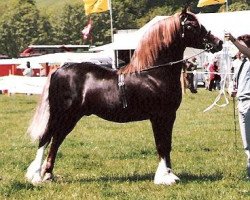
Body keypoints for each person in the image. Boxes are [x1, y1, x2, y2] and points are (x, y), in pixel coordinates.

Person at [227, 33, 250, 179]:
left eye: (242, 46)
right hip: (241, 103)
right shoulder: (237, 63)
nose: (238, 50)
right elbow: (234, 82)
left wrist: (234, 40)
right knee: (246, 142)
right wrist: (231, 89)